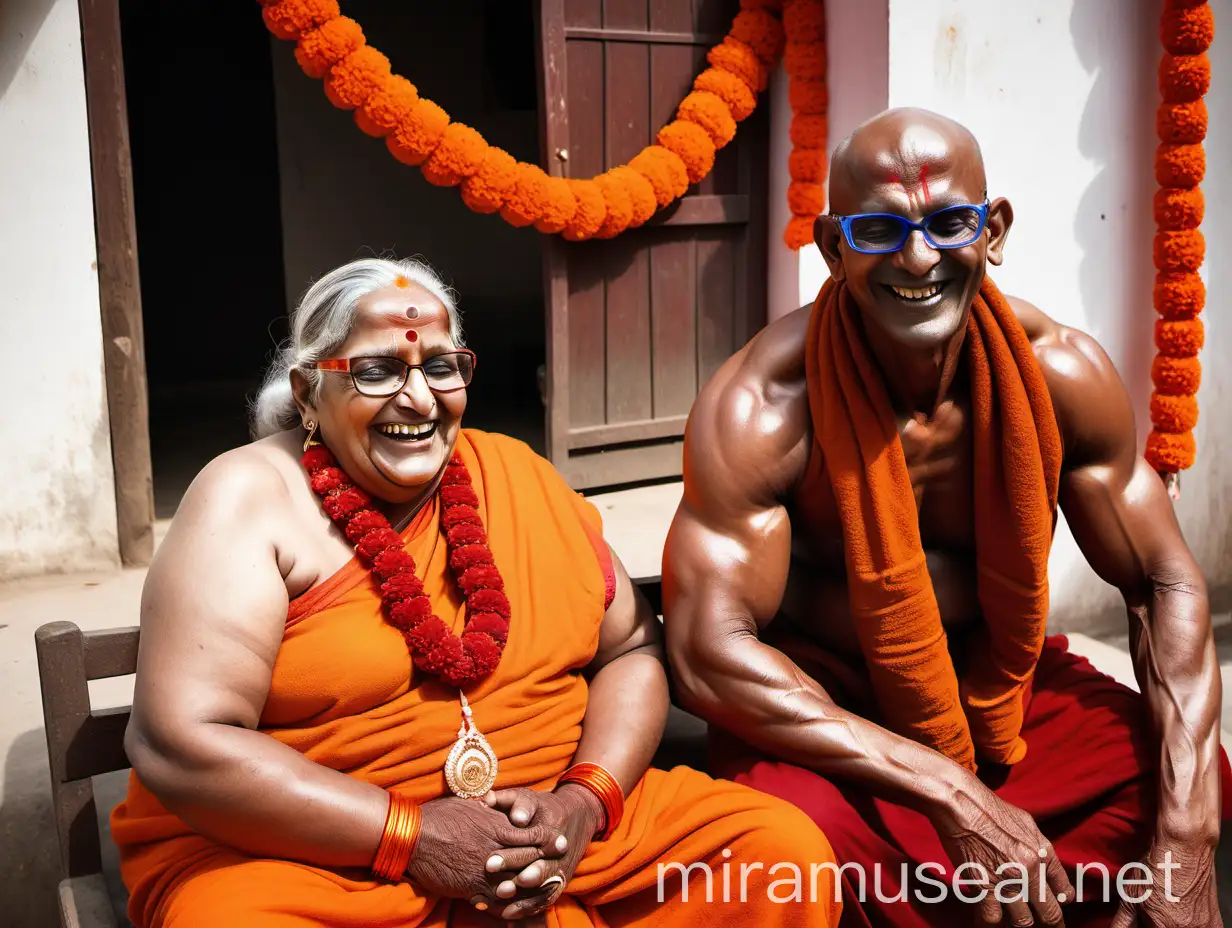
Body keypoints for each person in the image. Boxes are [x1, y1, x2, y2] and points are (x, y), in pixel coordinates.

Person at [111, 256, 842, 928]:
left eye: (440, 365)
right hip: (324, 861)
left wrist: (584, 802)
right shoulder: (248, 497)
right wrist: (411, 834)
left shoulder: (516, 474)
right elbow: (180, 742)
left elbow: (632, 649)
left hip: (559, 848)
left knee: (780, 855)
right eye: (376, 371)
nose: (418, 397)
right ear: (309, 391)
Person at [662, 108, 1228, 928]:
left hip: (1000, 692)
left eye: (948, 223)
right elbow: (705, 655)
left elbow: (1162, 580)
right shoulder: (761, 408)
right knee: (793, 847)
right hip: (837, 716)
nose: (918, 258)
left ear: (992, 230)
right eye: (880, 229)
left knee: (1187, 773)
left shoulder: (1062, 373)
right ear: (833, 247)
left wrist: (1185, 842)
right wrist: (949, 793)